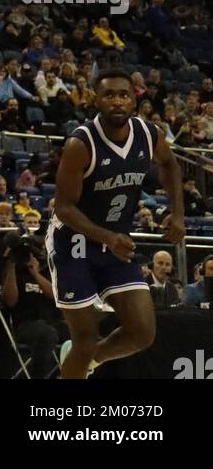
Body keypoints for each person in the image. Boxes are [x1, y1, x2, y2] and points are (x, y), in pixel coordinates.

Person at [47, 67, 185, 380]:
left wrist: (177, 212)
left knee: (142, 333)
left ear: (134, 101)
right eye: (109, 95)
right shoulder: (80, 144)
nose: (117, 101)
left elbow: (170, 165)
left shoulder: (149, 134)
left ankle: (84, 364)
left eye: (123, 95)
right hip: (74, 242)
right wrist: (107, 237)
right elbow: (65, 208)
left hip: (115, 242)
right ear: (95, 99)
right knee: (84, 340)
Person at [2, 232, 60, 378]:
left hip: (52, 321)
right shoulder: (14, 273)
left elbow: (56, 297)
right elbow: (10, 301)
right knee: (46, 335)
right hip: (25, 325)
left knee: (87, 333)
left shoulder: (49, 271)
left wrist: (36, 275)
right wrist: (11, 266)